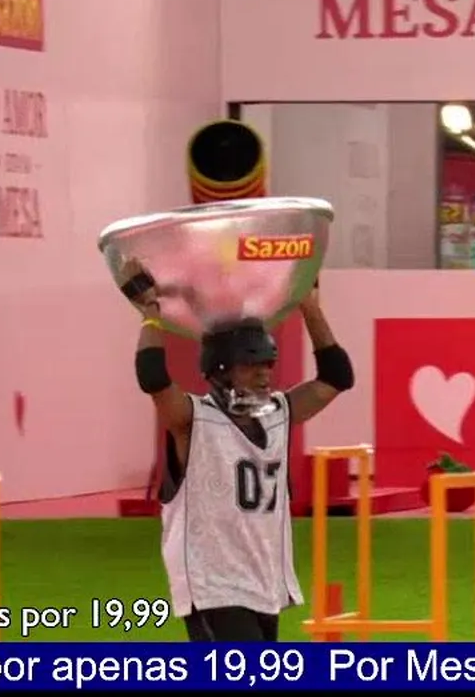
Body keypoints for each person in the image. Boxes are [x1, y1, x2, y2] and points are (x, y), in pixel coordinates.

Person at [117, 257, 354, 641]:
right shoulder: (193, 420)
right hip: (213, 585)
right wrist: (151, 312)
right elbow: (153, 377)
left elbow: (337, 375)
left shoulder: (277, 414)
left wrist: (309, 306)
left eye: (267, 364)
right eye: (250, 365)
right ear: (220, 370)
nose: (264, 374)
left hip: (263, 582)